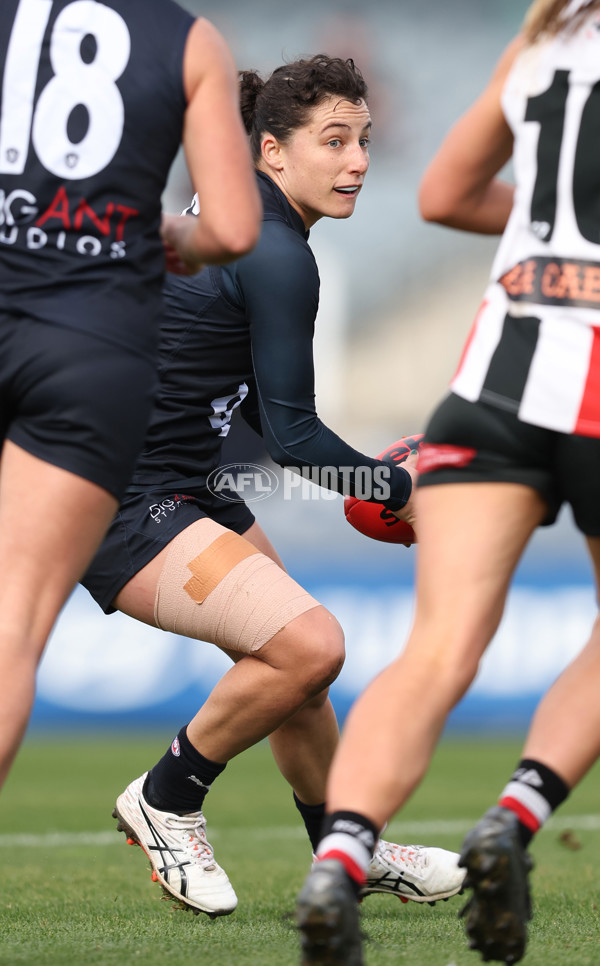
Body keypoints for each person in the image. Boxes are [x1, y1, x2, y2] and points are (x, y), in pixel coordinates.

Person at [80, 55, 466, 920]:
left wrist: (376, 478)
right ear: (272, 151)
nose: (358, 160)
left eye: (363, 139)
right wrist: (402, 489)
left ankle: (348, 851)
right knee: (310, 646)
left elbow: (250, 398)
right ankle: (167, 799)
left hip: (180, 477)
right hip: (129, 496)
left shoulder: (235, 220)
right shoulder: (276, 251)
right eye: (333, 141)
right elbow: (291, 438)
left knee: (301, 679)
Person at [295, 2, 600, 964]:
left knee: (434, 652)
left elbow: (443, 194)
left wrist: (556, 235)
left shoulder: (552, 28)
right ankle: (513, 816)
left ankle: (340, 859)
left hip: (495, 374)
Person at [0, 0, 261, 794]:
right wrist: (149, 232)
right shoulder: (189, 39)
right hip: (86, 344)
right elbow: (230, 229)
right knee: (13, 629)